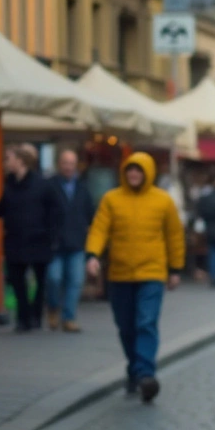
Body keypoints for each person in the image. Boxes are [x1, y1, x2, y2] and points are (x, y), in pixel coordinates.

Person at [85, 153, 184, 403]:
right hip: (119, 274)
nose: (134, 175)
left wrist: (175, 269)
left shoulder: (163, 201)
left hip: (152, 272)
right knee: (126, 326)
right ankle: (134, 370)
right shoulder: (112, 199)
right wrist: (93, 255)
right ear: (124, 173)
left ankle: (145, 375)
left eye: (139, 171)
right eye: (130, 170)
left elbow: (174, 236)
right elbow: (99, 228)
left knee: (146, 323)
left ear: (148, 173)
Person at [0, 145, 65, 332]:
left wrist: (51, 234)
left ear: (20, 161)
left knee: (40, 281)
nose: (6, 162)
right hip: (15, 241)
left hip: (38, 241)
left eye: (8, 158)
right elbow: (0, 210)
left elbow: (58, 210)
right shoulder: (10, 185)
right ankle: (23, 319)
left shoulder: (42, 184)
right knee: (17, 281)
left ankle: (34, 315)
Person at [47, 150, 95, 332]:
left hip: (76, 243)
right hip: (55, 244)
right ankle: (52, 307)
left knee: (75, 281)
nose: (68, 167)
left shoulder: (83, 188)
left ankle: (69, 317)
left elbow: (91, 214)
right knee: (54, 279)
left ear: (76, 166)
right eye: (65, 163)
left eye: (71, 163)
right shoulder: (50, 186)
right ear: (59, 164)